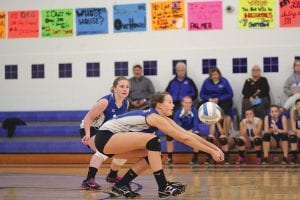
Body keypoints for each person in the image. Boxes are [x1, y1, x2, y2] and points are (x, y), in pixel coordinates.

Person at [88, 92, 224, 198]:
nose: (173, 105)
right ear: (159, 105)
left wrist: (214, 148)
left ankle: (121, 184)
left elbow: (188, 135)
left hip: (114, 141)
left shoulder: (163, 118)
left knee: (155, 155)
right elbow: (184, 138)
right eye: (169, 102)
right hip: (106, 137)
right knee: (153, 140)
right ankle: (163, 186)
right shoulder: (154, 117)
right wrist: (210, 152)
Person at [80, 77, 130, 190]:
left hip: (106, 130)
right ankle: (88, 180)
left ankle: (112, 176)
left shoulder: (126, 103)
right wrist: (87, 134)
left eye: (127, 87)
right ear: (114, 88)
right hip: (90, 128)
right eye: (121, 86)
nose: (125, 89)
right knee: (101, 150)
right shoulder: (105, 102)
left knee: (124, 150)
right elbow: (88, 118)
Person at [165, 62, 198, 164]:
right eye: (178, 70)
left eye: (182, 70)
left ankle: (195, 158)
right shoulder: (172, 82)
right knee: (169, 132)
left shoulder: (190, 82)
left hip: (187, 112)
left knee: (196, 134)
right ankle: (169, 158)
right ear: (176, 71)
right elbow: (166, 94)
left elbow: (195, 93)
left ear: (185, 70)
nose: (180, 72)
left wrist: (187, 102)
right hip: (174, 106)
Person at [171, 96, 201, 165]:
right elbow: (175, 125)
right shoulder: (178, 112)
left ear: (191, 104)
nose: (187, 104)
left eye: (189, 103)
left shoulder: (195, 111)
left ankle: (195, 158)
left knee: (196, 133)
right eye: (186, 103)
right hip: (180, 131)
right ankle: (170, 157)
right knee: (169, 136)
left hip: (191, 131)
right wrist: (182, 132)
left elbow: (196, 125)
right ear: (182, 103)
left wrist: (190, 131)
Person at [289, 99, 300, 164]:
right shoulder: (293, 113)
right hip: (296, 132)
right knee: (292, 135)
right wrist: (298, 132)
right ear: (295, 106)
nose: (299, 106)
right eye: (298, 104)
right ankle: (294, 156)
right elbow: (293, 127)